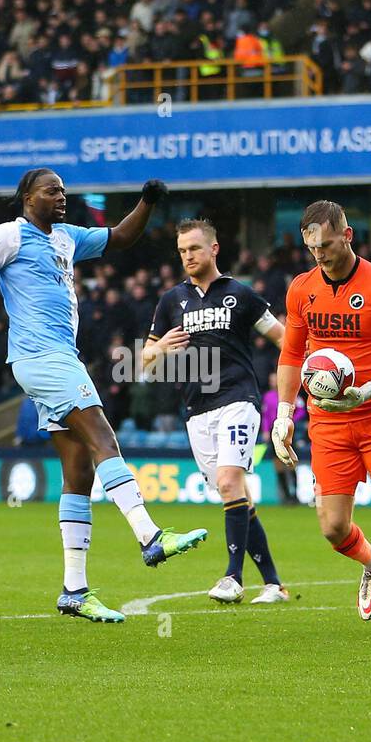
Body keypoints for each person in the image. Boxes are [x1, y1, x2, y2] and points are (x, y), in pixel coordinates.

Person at [0, 169, 206, 624]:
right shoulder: (7, 235)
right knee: (104, 439)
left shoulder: (67, 237)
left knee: (77, 474)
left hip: (57, 358)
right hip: (43, 358)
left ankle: (74, 590)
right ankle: (149, 536)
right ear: (27, 197)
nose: (62, 197)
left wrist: (147, 202)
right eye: (51, 190)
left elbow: (119, 238)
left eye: (63, 191)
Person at [270, 200, 371, 636]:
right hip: (329, 423)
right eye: (311, 247)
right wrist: (284, 414)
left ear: (348, 234)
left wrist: (368, 390)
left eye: (326, 244)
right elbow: (291, 353)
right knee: (334, 529)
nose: (319, 254)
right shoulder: (301, 288)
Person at [142, 218, 288, 605]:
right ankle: (274, 583)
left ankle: (232, 577)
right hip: (196, 410)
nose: (188, 256)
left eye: (194, 248)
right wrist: (160, 350)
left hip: (239, 400)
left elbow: (282, 338)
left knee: (228, 482)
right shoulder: (172, 301)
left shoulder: (240, 295)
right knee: (235, 494)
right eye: (182, 251)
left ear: (213, 249)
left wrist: (307, 374)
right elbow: (145, 362)